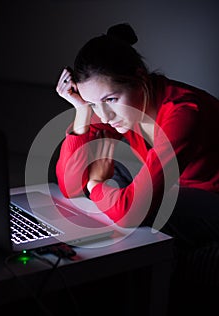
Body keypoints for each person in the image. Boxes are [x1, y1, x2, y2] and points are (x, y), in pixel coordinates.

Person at [55, 23, 219, 248]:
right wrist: (82, 112)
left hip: (210, 197)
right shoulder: (117, 112)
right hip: (174, 188)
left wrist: (95, 184)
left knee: (138, 209)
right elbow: (70, 186)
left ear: (140, 79)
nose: (103, 116)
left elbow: (133, 211)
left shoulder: (183, 112)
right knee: (116, 189)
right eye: (93, 104)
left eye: (110, 99)